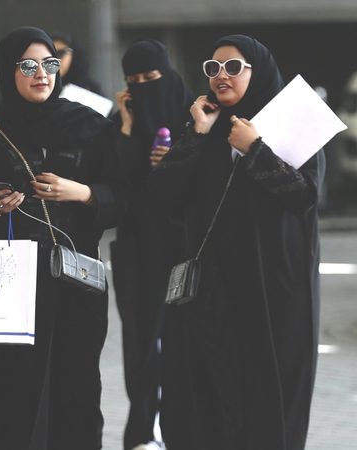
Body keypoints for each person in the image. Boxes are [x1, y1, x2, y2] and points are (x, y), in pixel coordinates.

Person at [0, 27, 125, 449]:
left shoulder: (89, 125)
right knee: (9, 387)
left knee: (76, 384)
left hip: (74, 280)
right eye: (27, 66)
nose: (41, 74)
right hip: (10, 282)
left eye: (48, 64)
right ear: (9, 71)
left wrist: (81, 193)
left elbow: (125, 195)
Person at [148, 35, 322, 450]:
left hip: (272, 290)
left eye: (232, 67)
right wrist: (195, 132)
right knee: (210, 392)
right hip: (212, 291)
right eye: (213, 68)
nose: (220, 76)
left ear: (256, 71)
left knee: (268, 391)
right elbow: (162, 196)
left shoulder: (293, 125)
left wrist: (254, 149)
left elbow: (305, 195)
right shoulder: (204, 129)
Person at [110, 39, 195, 450]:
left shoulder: (194, 117)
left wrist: (175, 162)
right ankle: (142, 432)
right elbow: (116, 186)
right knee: (141, 342)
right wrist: (126, 129)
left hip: (184, 248)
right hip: (137, 250)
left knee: (183, 342)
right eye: (134, 81)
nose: (143, 87)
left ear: (168, 75)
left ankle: (180, 428)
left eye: (151, 78)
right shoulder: (121, 121)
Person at [51, 31, 104, 96]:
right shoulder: (42, 89)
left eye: (61, 53)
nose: (55, 59)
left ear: (75, 55)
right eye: (51, 54)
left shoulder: (92, 91)